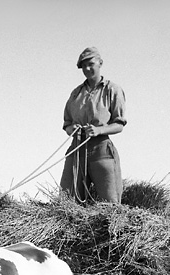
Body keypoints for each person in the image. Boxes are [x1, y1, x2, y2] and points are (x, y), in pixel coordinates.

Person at [60, 46, 127, 204]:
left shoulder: (112, 90)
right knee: (65, 202)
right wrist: (73, 130)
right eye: (83, 66)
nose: (87, 68)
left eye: (90, 64)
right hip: (77, 149)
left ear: (100, 63)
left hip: (101, 150)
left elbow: (119, 124)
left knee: (110, 205)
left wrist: (99, 130)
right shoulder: (76, 94)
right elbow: (67, 124)